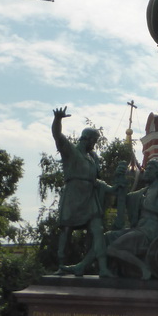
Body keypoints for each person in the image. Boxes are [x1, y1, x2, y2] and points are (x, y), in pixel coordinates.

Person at [51, 108, 112, 276]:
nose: (95, 143)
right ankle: (61, 265)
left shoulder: (92, 158)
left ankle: (102, 267)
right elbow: (57, 136)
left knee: (97, 230)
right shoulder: (71, 151)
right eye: (94, 140)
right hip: (73, 195)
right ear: (88, 139)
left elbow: (95, 180)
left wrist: (111, 188)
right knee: (67, 230)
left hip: (90, 198)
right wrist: (58, 119)